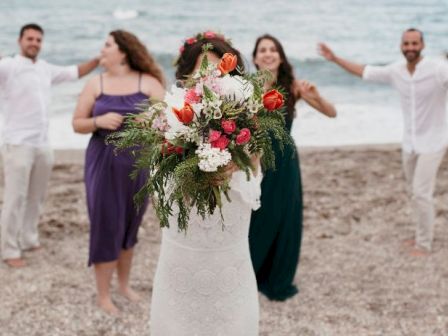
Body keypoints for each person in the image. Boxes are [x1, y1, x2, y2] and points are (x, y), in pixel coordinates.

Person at [149, 32, 261, 335]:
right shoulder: (169, 121)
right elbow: (162, 193)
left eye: (217, 69)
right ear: (186, 76)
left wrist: (232, 164)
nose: (209, 77)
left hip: (228, 261)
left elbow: (252, 174)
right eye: (201, 70)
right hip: (182, 260)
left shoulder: (250, 129)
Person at [318, 28, 448, 256]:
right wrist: (335, 58)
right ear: (401, 46)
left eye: (415, 43)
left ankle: (424, 244)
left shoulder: (438, 69)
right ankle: (419, 234)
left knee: (421, 193)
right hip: (410, 143)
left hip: (433, 142)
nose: (410, 48)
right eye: (406, 44)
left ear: (423, 45)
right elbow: (364, 71)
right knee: (413, 191)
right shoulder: (396, 71)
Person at [72, 30, 165, 315]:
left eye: (107, 45)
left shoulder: (147, 82)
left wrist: (149, 119)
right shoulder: (95, 83)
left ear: (123, 51)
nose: (103, 49)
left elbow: (168, 118)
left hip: (138, 162)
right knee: (105, 223)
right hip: (102, 162)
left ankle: (124, 285)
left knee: (130, 223)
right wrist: (98, 120)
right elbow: (77, 123)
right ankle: (103, 294)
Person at [0, 23, 99, 268]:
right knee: (15, 198)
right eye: (30, 38)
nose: (34, 43)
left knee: (37, 196)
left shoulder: (45, 69)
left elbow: (75, 71)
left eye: (38, 39)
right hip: (17, 143)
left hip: (43, 143)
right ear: (20, 40)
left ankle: (28, 238)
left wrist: (99, 59)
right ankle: (10, 248)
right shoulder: (8, 66)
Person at [250, 34, 337, 301]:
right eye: (262, 50)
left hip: (285, 160)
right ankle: (248, 274)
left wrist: (316, 96)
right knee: (257, 217)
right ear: (254, 58)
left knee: (284, 218)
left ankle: (276, 277)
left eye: (273, 49)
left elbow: (331, 113)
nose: (268, 54)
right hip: (255, 160)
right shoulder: (246, 88)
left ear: (280, 56)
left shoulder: (293, 86)